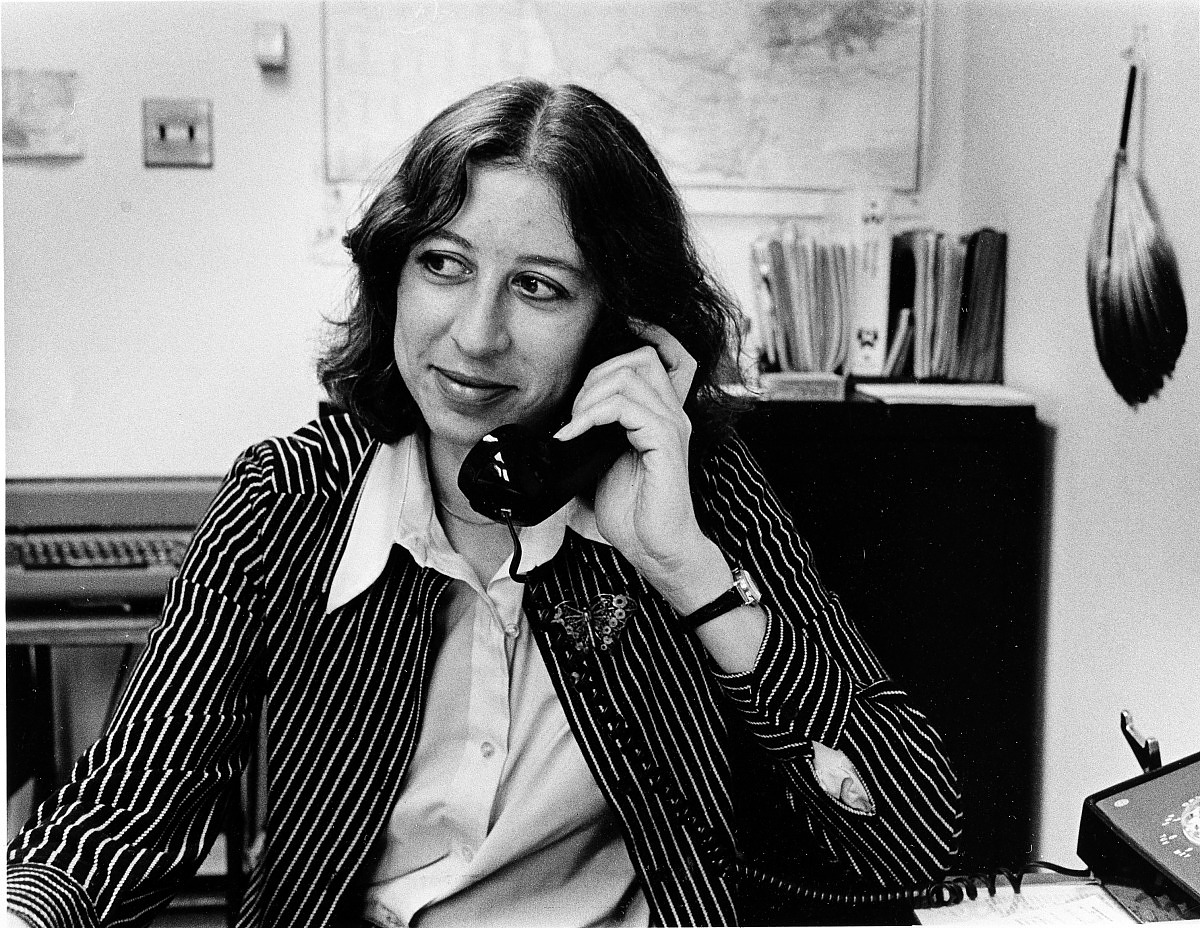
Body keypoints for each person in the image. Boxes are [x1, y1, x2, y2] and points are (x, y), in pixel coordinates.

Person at [7, 78, 961, 928]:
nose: (475, 334)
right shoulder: (289, 497)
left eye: (539, 287)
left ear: (619, 328)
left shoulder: (694, 492)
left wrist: (687, 571)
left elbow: (912, 840)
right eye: (445, 264)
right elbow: (122, 814)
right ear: (394, 275)